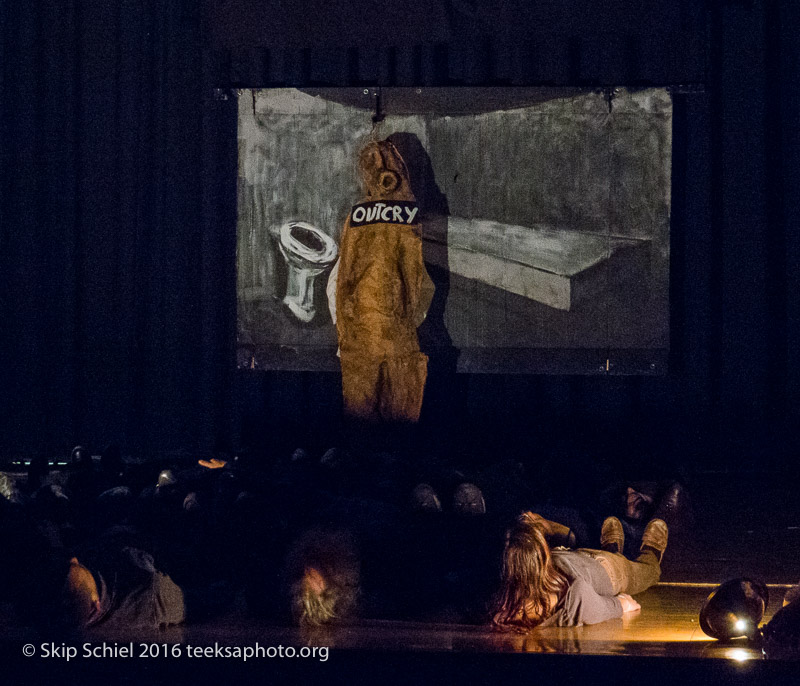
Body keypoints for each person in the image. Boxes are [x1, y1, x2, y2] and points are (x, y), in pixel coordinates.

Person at [491, 511, 668, 629]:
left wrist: (622, 604)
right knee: (641, 569)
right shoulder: (566, 596)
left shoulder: (507, 598)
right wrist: (622, 604)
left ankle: (627, 552)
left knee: (642, 570)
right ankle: (644, 553)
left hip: (588, 562)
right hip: (600, 568)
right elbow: (592, 604)